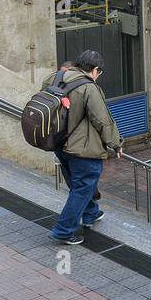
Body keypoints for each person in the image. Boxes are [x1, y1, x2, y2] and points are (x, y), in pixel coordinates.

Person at [49, 50, 123, 246]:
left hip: (58, 143)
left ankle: (90, 213)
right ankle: (63, 230)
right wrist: (116, 144)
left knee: (79, 184)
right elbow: (102, 120)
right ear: (95, 70)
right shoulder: (89, 88)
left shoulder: (55, 77)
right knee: (82, 187)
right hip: (83, 150)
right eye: (99, 72)